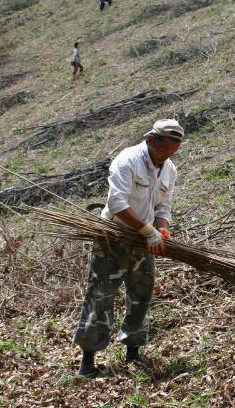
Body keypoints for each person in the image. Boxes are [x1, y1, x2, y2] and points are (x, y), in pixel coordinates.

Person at [74, 119, 184, 377]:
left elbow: (163, 207)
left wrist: (161, 227)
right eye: (162, 151)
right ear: (150, 141)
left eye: (171, 153)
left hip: (144, 242)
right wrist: (148, 231)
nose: (165, 157)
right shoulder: (128, 160)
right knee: (101, 295)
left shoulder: (169, 169)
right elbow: (116, 204)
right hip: (113, 237)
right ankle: (88, 362)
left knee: (141, 294)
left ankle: (133, 353)